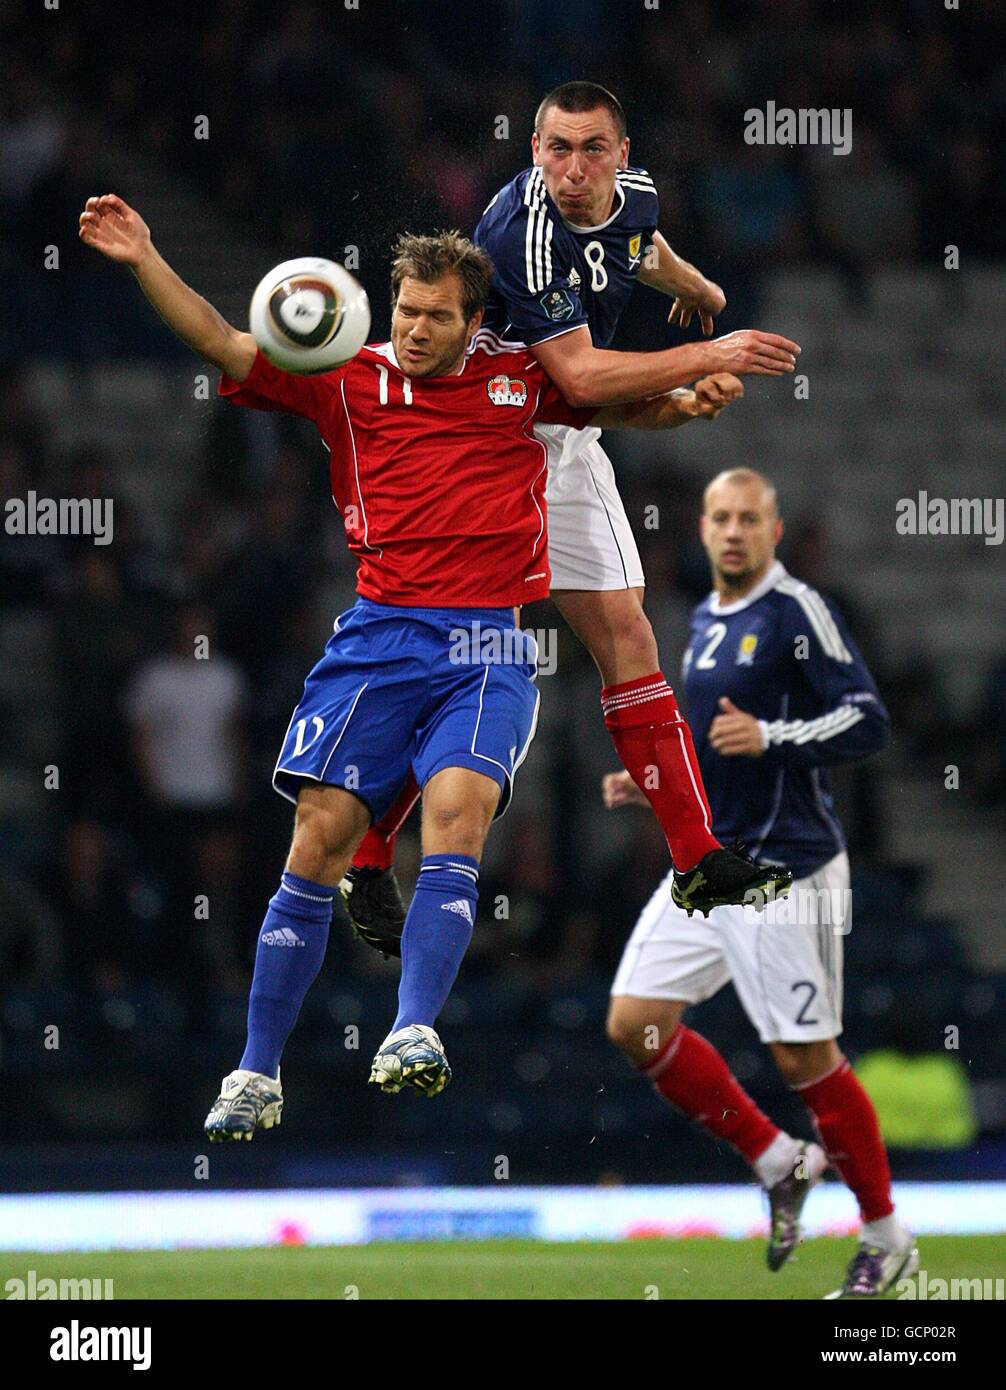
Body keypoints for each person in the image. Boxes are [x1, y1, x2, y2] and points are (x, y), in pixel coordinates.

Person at [78, 192, 749, 1140]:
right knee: (316, 840)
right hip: (378, 638)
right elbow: (225, 344)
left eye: (438, 314)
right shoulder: (344, 374)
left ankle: (414, 1029)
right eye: (407, 310)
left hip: (485, 646)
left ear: (476, 320)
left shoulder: (520, 378)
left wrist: (692, 403)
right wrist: (146, 254)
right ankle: (256, 1071)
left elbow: (630, 407)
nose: (419, 327)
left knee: (458, 814)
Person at [340, 81, 801, 947]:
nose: (574, 169)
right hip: (485, 435)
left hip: (559, 431)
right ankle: (367, 855)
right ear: (533, 151)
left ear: (624, 156)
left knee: (627, 634)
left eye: (593, 149)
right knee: (468, 659)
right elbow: (584, 378)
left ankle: (698, 860)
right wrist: (707, 351)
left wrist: (694, 284)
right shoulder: (525, 233)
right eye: (555, 149)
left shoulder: (633, 198)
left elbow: (639, 244)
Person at [603, 467, 918, 1298]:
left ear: (774, 532)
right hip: (713, 858)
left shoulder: (797, 610)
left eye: (750, 518)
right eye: (721, 518)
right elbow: (716, 742)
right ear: (702, 530)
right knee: (634, 1023)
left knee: (804, 1059)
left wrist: (774, 734)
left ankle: (888, 1237)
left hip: (786, 869)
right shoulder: (706, 619)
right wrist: (660, 786)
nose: (735, 531)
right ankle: (780, 1160)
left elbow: (868, 719)